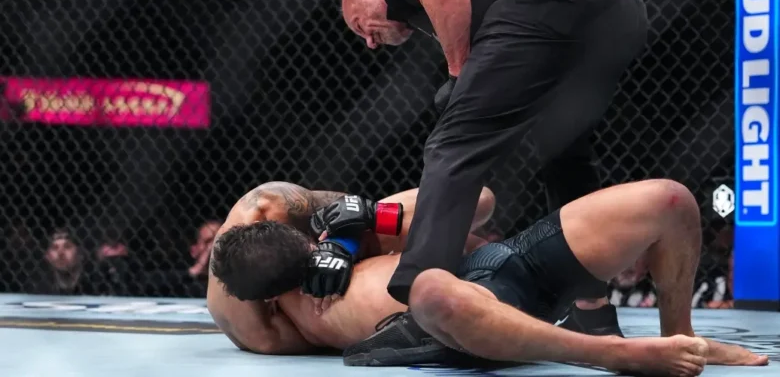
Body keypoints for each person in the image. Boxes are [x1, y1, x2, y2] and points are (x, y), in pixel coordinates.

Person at [338, 0, 649, 332]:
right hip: (620, 2)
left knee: (454, 143)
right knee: (563, 153)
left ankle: (425, 308)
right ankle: (592, 310)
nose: (369, 42)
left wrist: (458, 75)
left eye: (360, 25)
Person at [208, 178, 767, 376]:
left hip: (513, 265)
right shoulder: (269, 325)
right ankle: (616, 356)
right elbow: (255, 223)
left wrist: (356, 227)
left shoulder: (321, 227)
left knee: (670, 200)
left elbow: (478, 198)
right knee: (431, 290)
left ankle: (682, 332)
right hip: (465, 318)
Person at [205, 181, 496, 349]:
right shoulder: (263, 332)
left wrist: (341, 244)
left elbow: (346, 210)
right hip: (466, 286)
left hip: (463, 284)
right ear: (272, 299)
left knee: (477, 201)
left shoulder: (269, 205)